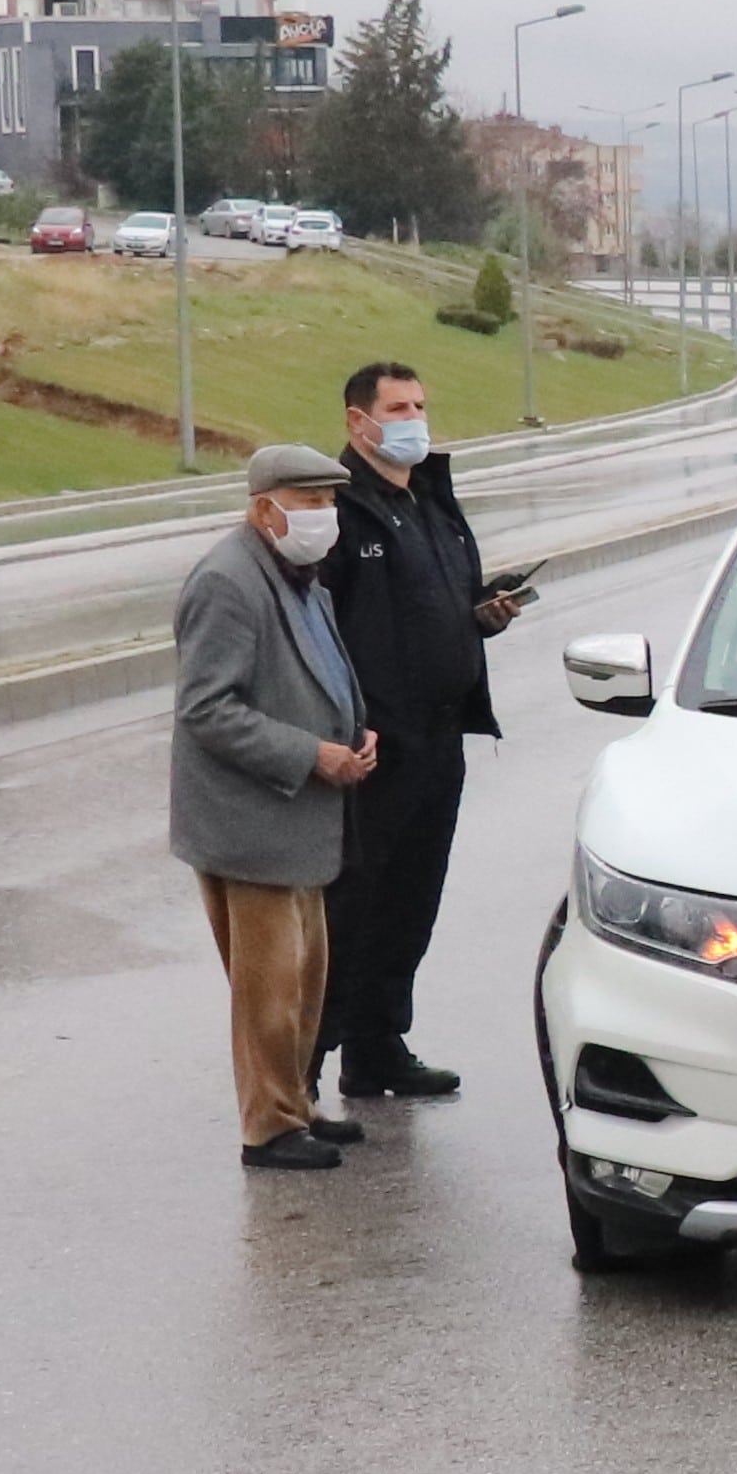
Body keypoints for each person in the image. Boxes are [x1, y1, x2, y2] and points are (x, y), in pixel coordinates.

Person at [317, 357, 526, 1104]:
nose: (413, 421)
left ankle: (377, 1048)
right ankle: (303, 1068)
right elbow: (321, 633)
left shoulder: (432, 500)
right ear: (358, 421)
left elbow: (441, 607)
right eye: (398, 409)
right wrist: (344, 729)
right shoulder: (340, 512)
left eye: (419, 407)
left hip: (441, 740)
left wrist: (483, 616)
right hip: (377, 749)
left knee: (412, 903)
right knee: (353, 908)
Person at [170, 444, 379, 1174]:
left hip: (301, 818)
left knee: (305, 976)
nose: (325, 517)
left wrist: (354, 732)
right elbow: (206, 708)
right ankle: (269, 1126)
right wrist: (311, 755)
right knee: (267, 986)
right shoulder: (229, 582)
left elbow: (317, 672)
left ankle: (297, 1102)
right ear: (265, 508)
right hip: (249, 821)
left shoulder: (300, 580)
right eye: (310, 502)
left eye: (330, 503)